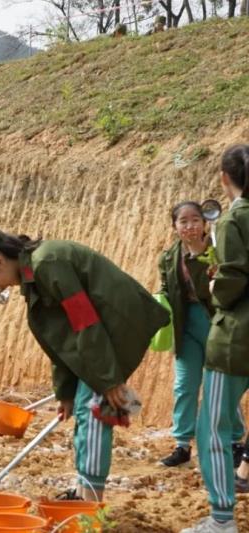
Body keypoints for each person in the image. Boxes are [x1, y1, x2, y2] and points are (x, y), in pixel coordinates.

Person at [0, 228, 169, 502]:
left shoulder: (48, 264)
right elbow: (61, 337)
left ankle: (90, 501)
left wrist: (108, 379)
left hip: (118, 324)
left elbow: (84, 320)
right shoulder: (35, 273)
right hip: (100, 333)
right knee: (86, 407)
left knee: (95, 410)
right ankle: (85, 491)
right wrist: (65, 393)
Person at [181, 145, 249, 533]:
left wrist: (215, 285)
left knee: (213, 429)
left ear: (225, 179)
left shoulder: (234, 219)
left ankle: (222, 519)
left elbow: (234, 278)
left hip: (237, 338)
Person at [157, 202, 244, 468]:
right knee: (185, 386)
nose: (190, 226)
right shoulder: (169, 257)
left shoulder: (216, 252)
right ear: (175, 227)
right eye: (183, 221)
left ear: (204, 224)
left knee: (221, 385)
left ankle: (233, 442)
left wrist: (203, 259)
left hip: (216, 323)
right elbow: (165, 289)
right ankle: (182, 445)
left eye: (195, 220)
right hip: (186, 327)